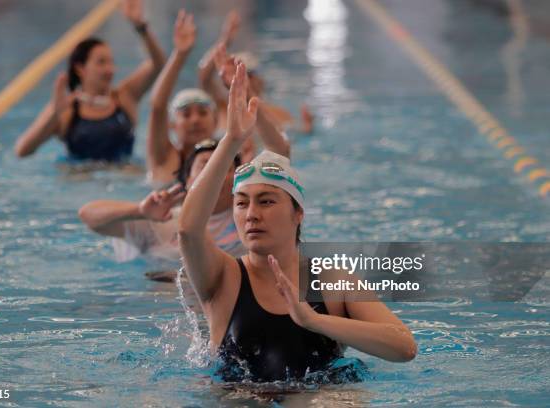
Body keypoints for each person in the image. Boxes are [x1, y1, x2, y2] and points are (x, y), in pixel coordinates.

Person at [178, 63, 417, 383]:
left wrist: (315, 321)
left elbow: (404, 347)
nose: (251, 214)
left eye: (266, 201)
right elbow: (188, 230)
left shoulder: (333, 282)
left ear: (298, 212)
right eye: (242, 203)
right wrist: (231, 140)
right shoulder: (223, 277)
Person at [147, 10, 290, 185]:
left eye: (202, 113)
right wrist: (180, 54)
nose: (195, 120)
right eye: (186, 114)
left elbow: (280, 151)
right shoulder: (164, 159)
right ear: (172, 125)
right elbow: (157, 107)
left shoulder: (231, 162)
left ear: (216, 121)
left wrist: (246, 95)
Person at [15, 0, 165, 162]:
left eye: (111, 62)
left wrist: (141, 27)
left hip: (124, 177)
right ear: (81, 69)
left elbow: (159, 65)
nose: (110, 69)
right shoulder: (66, 107)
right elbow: (23, 150)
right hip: (80, 183)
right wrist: (54, 117)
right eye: (101, 62)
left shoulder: (124, 96)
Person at [78, 139, 245, 267]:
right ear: (187, 179)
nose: (213, 174)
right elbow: (88, 215)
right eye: (205, 165)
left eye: (223, 167)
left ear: (238, 180)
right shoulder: (163, 219)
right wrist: (139, 211)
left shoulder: (248, 221)